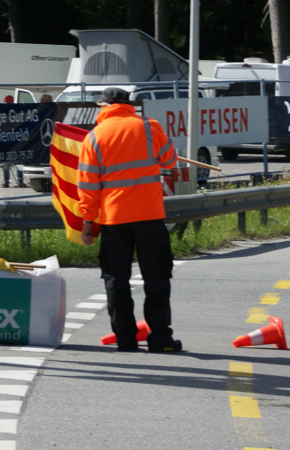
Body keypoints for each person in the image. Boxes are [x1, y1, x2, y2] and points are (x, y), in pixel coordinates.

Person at [77, 87, 182, 353]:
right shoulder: (149, 126)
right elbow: (170, 159)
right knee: (157, 279)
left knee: (116, 281)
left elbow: (87, 185)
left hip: (115, 219)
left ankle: (125, 339)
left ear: (105, 107)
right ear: (128, 105)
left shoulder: (94, 137)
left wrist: (88, 222)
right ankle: (160, 338)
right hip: (149, 216)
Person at [1, 95, 26, 188]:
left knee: (15, 162)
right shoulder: (6, 114)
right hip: (11, 141)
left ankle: (12, 181)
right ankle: (14, 181)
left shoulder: (15, 113)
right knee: (10, 163)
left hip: (14, 140)